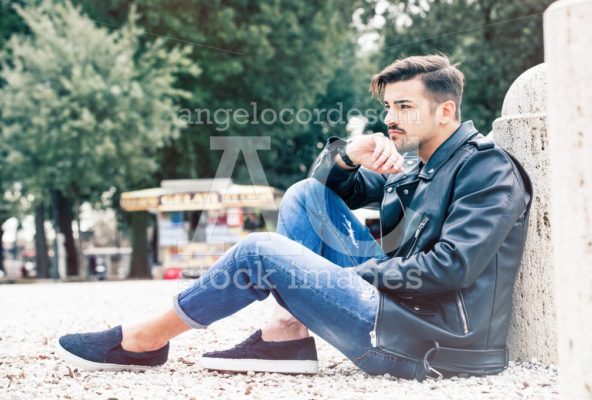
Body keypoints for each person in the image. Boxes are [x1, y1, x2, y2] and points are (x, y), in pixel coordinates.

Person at [57, 54, 532, 381]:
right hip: (400, 311)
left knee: (261, 250)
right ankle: (285, 336)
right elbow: (326, 190)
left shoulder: (485, 168)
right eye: (388, 106)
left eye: (405, 106)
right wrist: (349, 155)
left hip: (434, 341)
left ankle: (144, 341)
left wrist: (348, 277)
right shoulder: (414, 165)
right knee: (306, 193)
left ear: (446, 110)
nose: (391, 118)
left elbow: (451, 267)